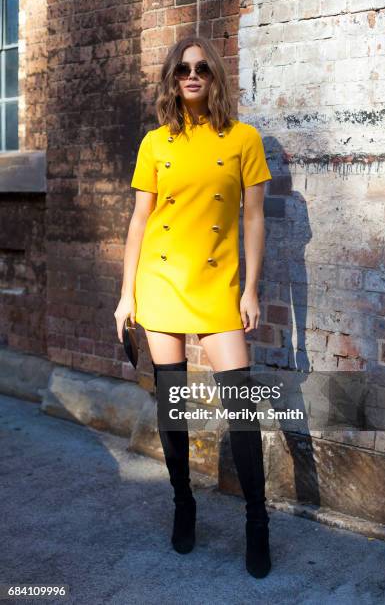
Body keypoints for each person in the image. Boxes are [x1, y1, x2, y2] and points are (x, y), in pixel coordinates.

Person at [115, 35, 273, 578]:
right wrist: (125, 293)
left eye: (202, 68)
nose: (192, 75)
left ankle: (258, 520)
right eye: (183, 68)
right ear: (171, 78)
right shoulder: (154, 142)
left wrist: (249, 289)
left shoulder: (244, 139)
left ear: (215, 77)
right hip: (159, 281)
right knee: (172, 406)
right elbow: (140, 219)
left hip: (216, 285)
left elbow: (253, 218)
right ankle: (183, 501)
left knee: (242, 409)